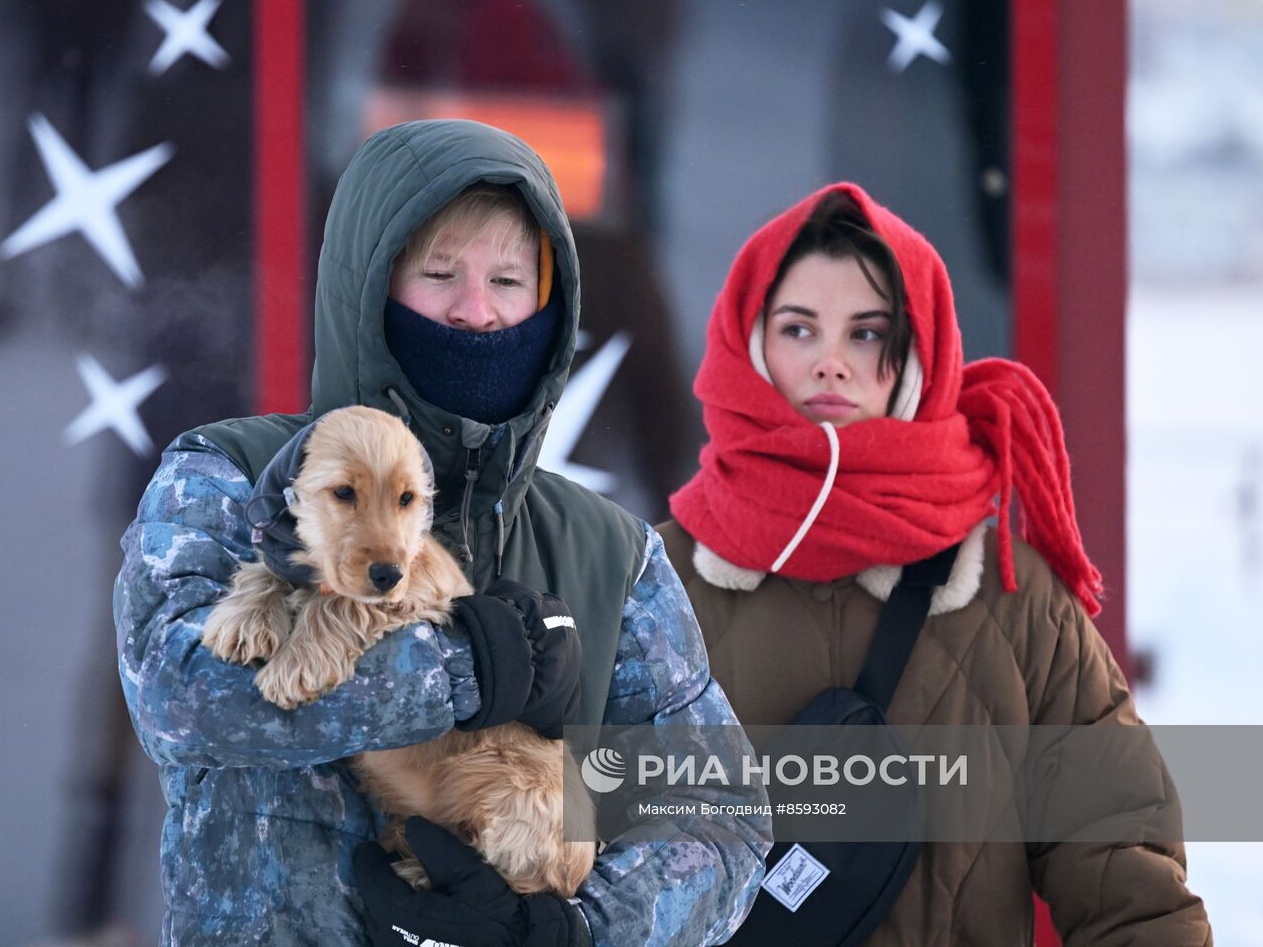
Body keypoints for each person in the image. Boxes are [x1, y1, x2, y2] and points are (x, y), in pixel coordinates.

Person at [113, 118, 768, 946]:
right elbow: (178, 698)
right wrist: (459, 670)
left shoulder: (613, 553)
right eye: (439, 274)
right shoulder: (236, 477)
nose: (477, 312)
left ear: (550, 303)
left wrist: (569, 933)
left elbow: (721, 818)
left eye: (508, 280)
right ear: (369, 287)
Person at [657, 183, 1212, 944]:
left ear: (918, 357)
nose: (830, 363)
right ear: (747, 346)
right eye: (798, 329)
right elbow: (581, 872)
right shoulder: (656, 585)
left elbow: (1130, 888)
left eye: (866, 334)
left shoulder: (1014, 599)